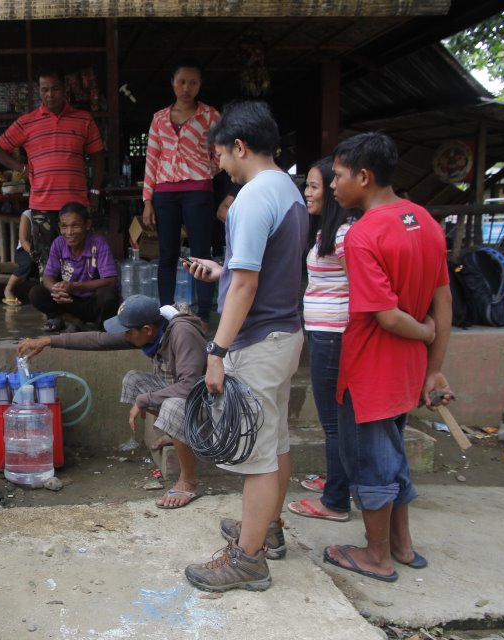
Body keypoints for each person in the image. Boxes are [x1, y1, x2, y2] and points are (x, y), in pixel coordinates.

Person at [184, 101, 308, 592]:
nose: (220, 166)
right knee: (274, 442)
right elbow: (259, 271)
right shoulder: (288, 191)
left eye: (220, 156)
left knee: (256, 454)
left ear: (240, 146)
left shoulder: (253, 197)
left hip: (258, 340)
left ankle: (248, 559)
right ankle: (268, 528)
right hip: (284, 332)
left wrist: (216, 351)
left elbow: (245, 288)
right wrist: (224, 270)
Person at [323, 132, 452, 583]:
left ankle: (375, 555)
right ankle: (402, 545)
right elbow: (444, 302)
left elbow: (386, 316)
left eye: (337, 176)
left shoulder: (362, 235)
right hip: (408, 371)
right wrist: (433, 365)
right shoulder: (426, 221)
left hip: (370, 374)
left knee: (370, 463)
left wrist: (422, 330)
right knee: (393, 455)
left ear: (364, 176)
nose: (333, 185)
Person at [18, 295, 208, 508]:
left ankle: (188, 482)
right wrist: (49, 341)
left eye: (128, 331)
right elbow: (99, 340)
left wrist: (144, 400)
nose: (124, 335)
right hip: (186, 399)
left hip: (209, 407)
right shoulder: (154, 330)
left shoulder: (183, 333)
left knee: (172, 406)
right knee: (133, 381)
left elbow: (189, 388)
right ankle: (177, 432)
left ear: (146, 330)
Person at [288, 157, 361, 523]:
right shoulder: (325, 233)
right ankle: (338, 480)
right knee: (334, 420)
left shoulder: (346, 236)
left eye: (316, 186)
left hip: (334, 336)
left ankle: (335, 501)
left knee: (333, 422)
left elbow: (361, 288)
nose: (309, 192)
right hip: (323, 333)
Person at [0, 67, 105, 271]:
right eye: (44, 90)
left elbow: (98, 157)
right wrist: (24, 169)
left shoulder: (84, 119)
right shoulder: (26, 123)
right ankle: (52, 302)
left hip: (76, 204)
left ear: (65, 89)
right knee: (47, 266)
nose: (50, 94)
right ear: (39, 91)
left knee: (81, 264)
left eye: (55, 89)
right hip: (42, 207)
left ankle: (77, 302)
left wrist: (95, 192)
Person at [141, 60, 221, 320]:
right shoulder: (159, 119)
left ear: (200, 85)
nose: (186, 87)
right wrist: (147, 201)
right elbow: (152, 159)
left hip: (198, 190)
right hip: (164, 192)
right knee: (168, 253)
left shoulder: (209, 115)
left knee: (200, 253)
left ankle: (204, 315)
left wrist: (206, 170)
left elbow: (222, 151)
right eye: (181, 82)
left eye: (193, 82)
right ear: (173, 83)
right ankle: (166, 312)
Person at [28, 202, 118, 332]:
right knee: (36, 293)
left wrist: (75, 286)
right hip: (69, 300)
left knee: (108, 295)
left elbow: (111, 280)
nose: (69, 232)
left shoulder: (98, 243)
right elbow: (48, 276)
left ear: (87, 225)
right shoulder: (58, 243)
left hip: (93, 302)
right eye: (64, 227)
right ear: (59, 227)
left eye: (75, 225)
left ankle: (98, 329)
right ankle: (75, 321)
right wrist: (56, 289)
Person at [3, 209, 33, 306]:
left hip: (45, 249)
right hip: (25, 250)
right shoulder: (28, 214)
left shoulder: (53, 213)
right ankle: (8, 289)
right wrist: (36, 254)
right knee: (28, 263)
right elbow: (24, 241)